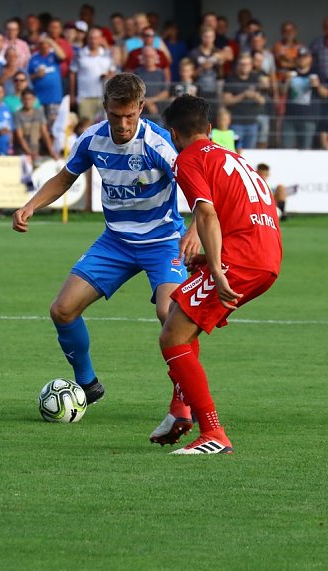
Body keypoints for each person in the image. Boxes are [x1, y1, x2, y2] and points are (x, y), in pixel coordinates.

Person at [12, 73, 199, 412]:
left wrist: (196, 230)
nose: (123, 124)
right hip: (116, 242)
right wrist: (31, 205)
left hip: (163, 241)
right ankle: (87, 384)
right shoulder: (92, 139)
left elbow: (200, 190)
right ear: (105, 108)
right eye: (115, 115)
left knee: (170, 314)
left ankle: (185, 398)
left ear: (141, 107)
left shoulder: (158, 143)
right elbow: (64, 178)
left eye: (130, 116)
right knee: (62, 310)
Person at [155, 94, 282, 454]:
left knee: (172, 337)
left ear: (173, 134)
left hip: (242, 258)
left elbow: (207, 214)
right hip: (267, 254)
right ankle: (180, 411)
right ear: (209, 128)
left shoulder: (188, 159)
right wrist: (209, 259)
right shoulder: (234, 157)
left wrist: (216, 267)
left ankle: (212, 432)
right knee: (179, 315)